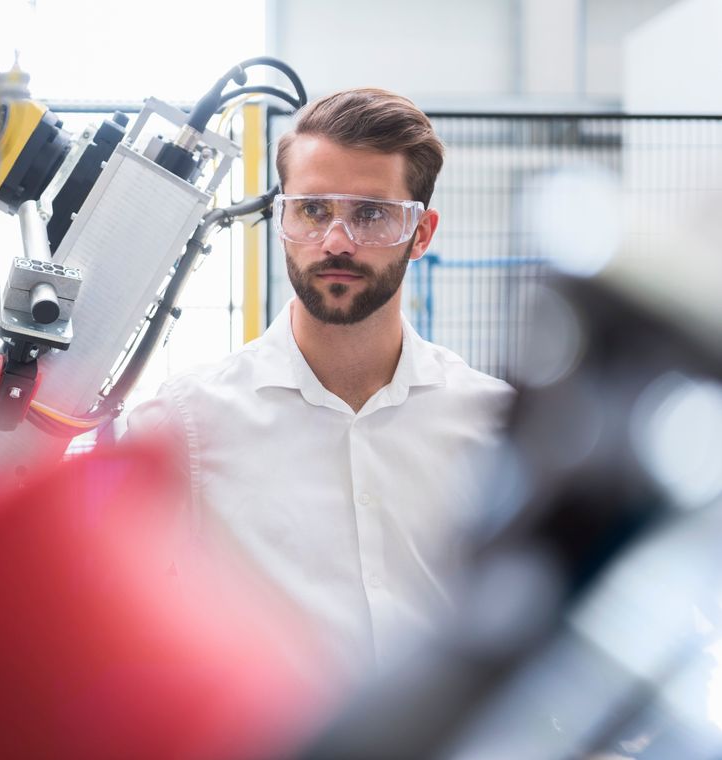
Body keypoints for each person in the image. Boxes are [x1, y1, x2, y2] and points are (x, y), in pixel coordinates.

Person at [127, 87, 515, 676]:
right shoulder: (187, 425)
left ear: (422, 234)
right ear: (283, 219)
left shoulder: (494, 424)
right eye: (312, 210)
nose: (336, 241)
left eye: (371, 214)